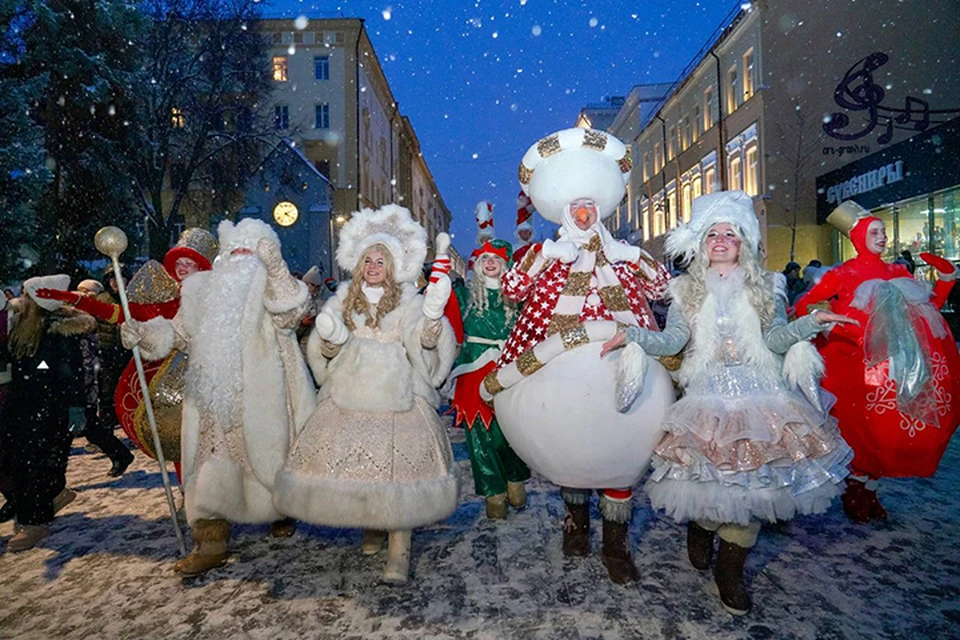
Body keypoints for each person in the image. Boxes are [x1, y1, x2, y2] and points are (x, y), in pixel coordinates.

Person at [602, 190, 855, 615]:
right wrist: (634, 336)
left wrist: (810, 323)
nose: (720, 240)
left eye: (730, 233)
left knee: (753, 493)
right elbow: (674, 341)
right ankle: (701, 527)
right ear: (701, 244)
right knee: (712, 487)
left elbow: (774, 339)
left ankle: (730, 571)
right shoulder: (685, 292)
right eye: (712, 234)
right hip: (708, 401)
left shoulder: (767, 287)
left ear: (744, 243)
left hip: (762, 398)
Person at [482, 128, 675, 584]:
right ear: (565, 214)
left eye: (590, 207)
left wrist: (636, 256)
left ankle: (616, 544)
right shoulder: (547, 253)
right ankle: (575, 525)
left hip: (626, 359)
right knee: (568, 440)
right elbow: (511, 289)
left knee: (621, 446)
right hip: (554, 361)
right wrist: (543, 255)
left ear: (600, 211)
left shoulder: (622, 254)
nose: (585, 215)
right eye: (577, 209)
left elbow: (663, 287)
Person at [275, 204, 459, 584]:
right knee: (358, 463)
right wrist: (327, 347)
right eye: (369, 259)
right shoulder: (342, 299)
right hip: (349, 389)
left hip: (397, 392)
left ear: (392, 266)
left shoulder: (408, 300)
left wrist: (429, 333)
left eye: (381, 260)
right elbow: (327, 345)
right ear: (359, 264)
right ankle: (371, 524)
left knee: (399, 470)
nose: (374, 265)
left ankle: (399, 546)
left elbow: (420, 340)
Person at [121, 219, 316, 576]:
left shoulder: (272, 286)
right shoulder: (201, 290)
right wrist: (145, 334)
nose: (240, 257)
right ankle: (210, 541)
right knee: (210, 467)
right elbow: (178, 332)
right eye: (234, 250)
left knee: (272, 457)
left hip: (265, 394)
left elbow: (291, 312)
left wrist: (274, 266)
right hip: (214, 400)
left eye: (249, 250)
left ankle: (280, 510)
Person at [795, 201, 960, 523]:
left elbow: (926, 311)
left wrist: (945, 280)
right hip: (854, 364)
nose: (883, 237)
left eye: (884, 232)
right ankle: (856, 487)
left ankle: (869, 488)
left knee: (890, 428)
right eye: (875, 232)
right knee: (863, 427)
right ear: (858, 237)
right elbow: (804, 306)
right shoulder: (843, 273)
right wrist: (833, 324)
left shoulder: (899, 272)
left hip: (896, 365)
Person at [0, 275, 89, 552]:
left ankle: (34, 522)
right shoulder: (23, 326)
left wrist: (76, 407)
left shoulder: (58, 331)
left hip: (48, 407)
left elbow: (69, 372)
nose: (21, 300)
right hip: (22, 404)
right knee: (17, 461)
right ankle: (48, 496)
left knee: (32, 465)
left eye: (28, 296)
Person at [447, 231, 529, 519]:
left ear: (505, 265)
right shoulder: (463, 294)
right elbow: (446, 324)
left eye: (496, 258)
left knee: (509, 430)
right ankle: (493, 492)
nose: (490, 263)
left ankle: (515, 477)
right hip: (473, 371)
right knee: (479, 435)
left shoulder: (517, 297)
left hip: (510, 368)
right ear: (477, 264)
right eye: (485, 258)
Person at [513, 190, 536, 264]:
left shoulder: (535, 248)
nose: (525, 234)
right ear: (518, 233)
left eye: (528, 232)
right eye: (523, 232)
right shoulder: (513, 249)